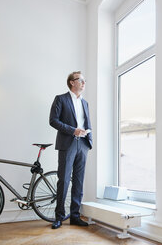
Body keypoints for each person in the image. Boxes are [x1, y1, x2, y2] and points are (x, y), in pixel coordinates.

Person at [49, 71, 93, 229]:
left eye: (84, 80)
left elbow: (87, 123)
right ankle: (59, 217)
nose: (83, 83)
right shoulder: (60, 99)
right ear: (72, 82)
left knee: (79, 182)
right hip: (67, 144)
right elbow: (53, 121)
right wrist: (72, 130)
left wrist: (89, 142)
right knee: (64, 180)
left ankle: (75, 216)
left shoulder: (85, 102)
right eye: (81, 80)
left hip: (82, 144)